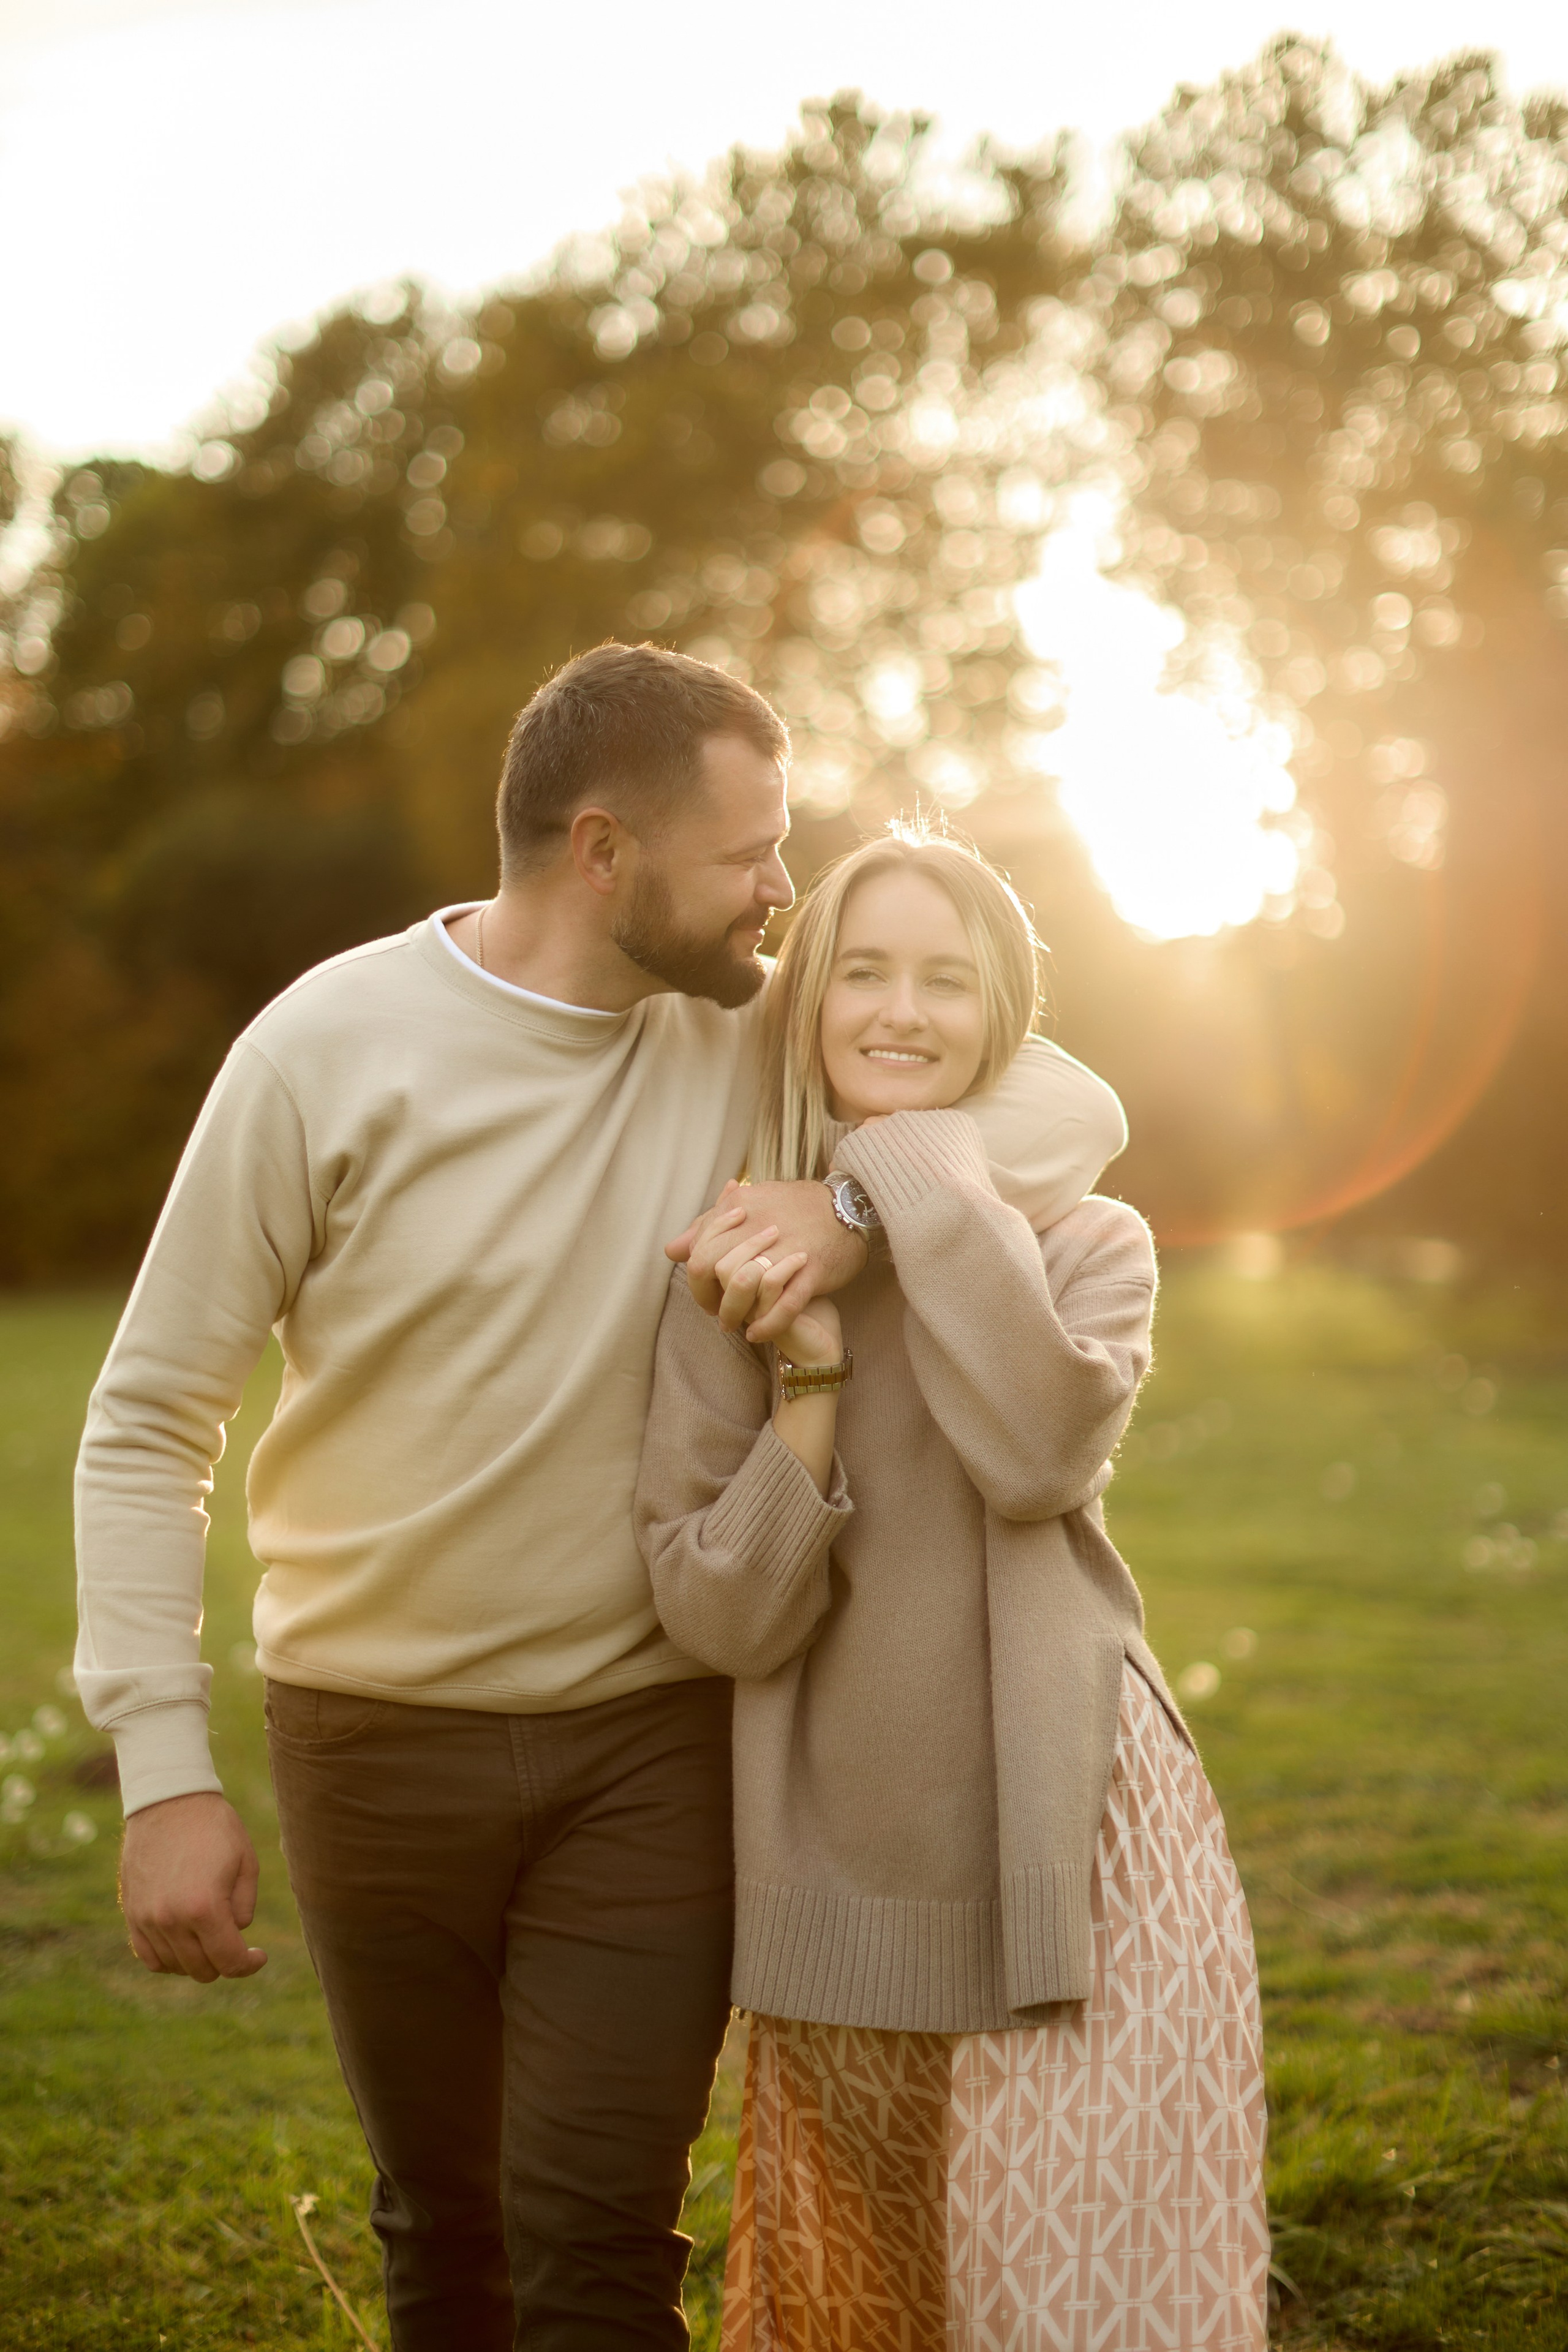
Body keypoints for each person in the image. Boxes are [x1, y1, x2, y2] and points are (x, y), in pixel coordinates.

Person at [74, 644, 1130, 2352]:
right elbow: (147, 1416)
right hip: (367, 1737)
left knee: (596, 2235)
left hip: (646, 1740)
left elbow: (1071, 1098)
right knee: (447, 2232)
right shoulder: (323, 1050)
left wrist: (857, 1209)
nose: (783, 895)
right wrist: (159, 1769)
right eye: (752, 857)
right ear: (604, 851)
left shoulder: (748, 1032)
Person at [636, 827, 1269, 2351]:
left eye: (946, 981)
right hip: (838, 1882)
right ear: (810, 1001)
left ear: (1001, 1019)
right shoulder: (733, 1273)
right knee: (874, 2317)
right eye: (861, 972)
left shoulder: (1086, 1244)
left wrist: (880, 1192)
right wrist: (806, 1375)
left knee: (1082, 2312)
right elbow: (717, 1612)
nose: (900, 1012)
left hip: (1080, 1848)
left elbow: (1035, 1453)